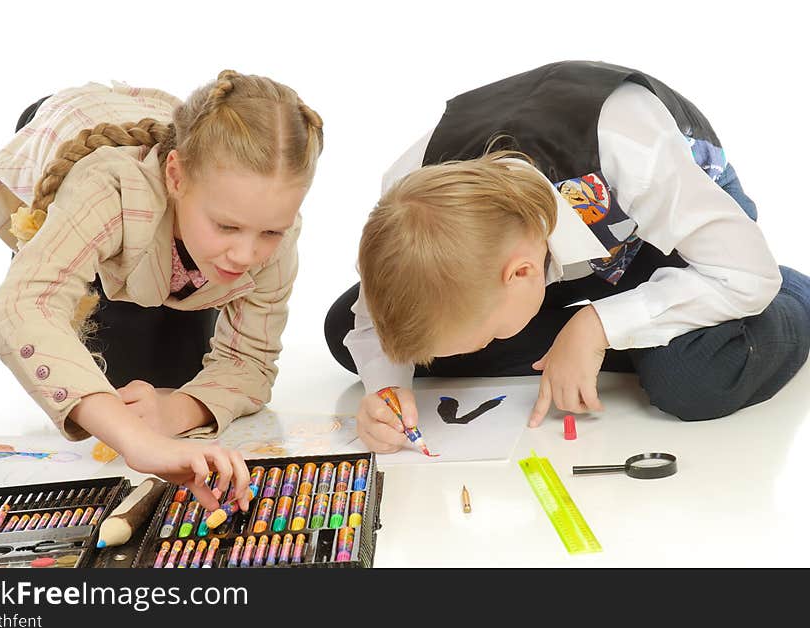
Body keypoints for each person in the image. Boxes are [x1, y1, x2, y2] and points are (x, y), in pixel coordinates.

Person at [323, 60, 810, 454]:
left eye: (488, 337)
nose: (474, 352)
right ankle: (620, 340)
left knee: (692, 378)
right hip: (556, 243)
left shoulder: (632, 154)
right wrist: (386, 390)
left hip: (668, 233)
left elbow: (746, 273)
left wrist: (597, 324)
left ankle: (795, 295)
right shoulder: (408, 198)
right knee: (346, 331)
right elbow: (370, 321)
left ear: (522, 273)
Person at [0, 71, 323, 507]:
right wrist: (139, 441)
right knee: (107, 403)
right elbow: (24, 307)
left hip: (170, 210)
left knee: (164, 392)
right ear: (176, 178)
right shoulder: (108, 188)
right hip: (83, 151)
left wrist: (172, 411)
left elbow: (249, 361)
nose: (246, 255)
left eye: (270, 231)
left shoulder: (270, 231)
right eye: (227, 226)